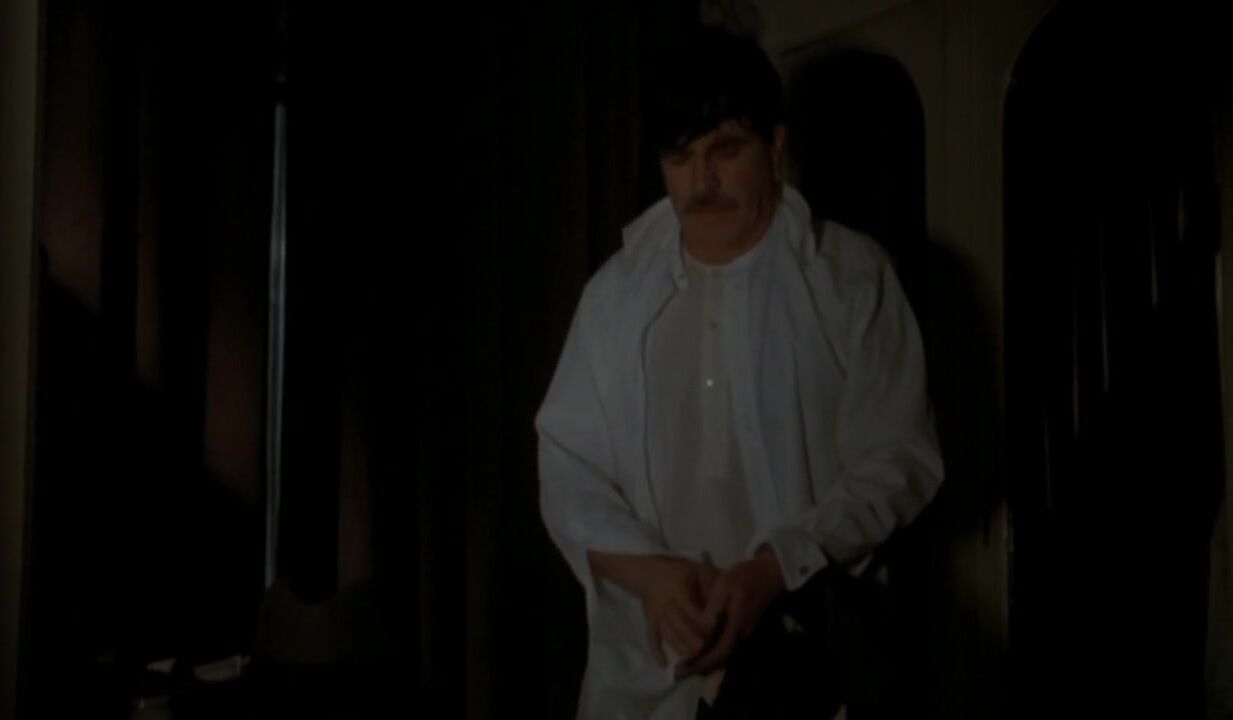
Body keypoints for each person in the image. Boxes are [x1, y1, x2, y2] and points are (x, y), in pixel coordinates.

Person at [536, 25, 943, 720]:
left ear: (775, 144)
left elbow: (897, 459)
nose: (701, 184)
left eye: (725, 151)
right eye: (681, 158)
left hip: (808, 667)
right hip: (648, 682)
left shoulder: (849, 280)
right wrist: (654, 578)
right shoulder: (615, 298)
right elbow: (568, 469)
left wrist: (775, 568)